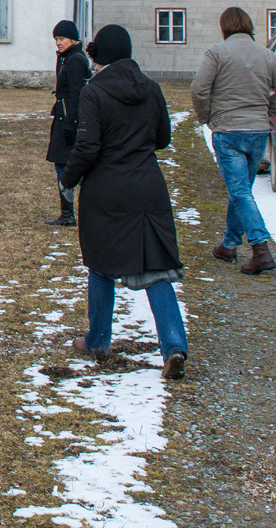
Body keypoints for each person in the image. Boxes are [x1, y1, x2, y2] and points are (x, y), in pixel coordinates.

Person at [61, 23, 189, 380]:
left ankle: (98, 340)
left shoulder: (94, 92)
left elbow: (87, 147)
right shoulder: (152, 89)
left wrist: (67, 180)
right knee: (156, 268)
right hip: (148, 187)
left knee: (101, 265)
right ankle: (174, 346)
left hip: (106, 191)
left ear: (99, 56)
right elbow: (162, 138)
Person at [190, 5, 276, 276]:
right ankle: (228, 245)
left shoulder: (216, 53)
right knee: (241, 192)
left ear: (224, 28)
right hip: (258, 133)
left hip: (228, 132)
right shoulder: (267, 55)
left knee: (239, 193)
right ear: (250, 26)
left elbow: (198, 88)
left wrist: (208, 117)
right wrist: (265, 112)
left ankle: (261, 249)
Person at [46, 19, 90, 227]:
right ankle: (67, 214)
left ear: (73, 39)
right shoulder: (67, 58)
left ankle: (69, 214)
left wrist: (71, 124)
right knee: (62, 165)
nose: (58, 43)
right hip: (63, 117)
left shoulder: (75, 60)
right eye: (56, 39)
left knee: (67, 167)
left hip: (68, 119)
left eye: (61, 38)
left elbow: (76, 95)